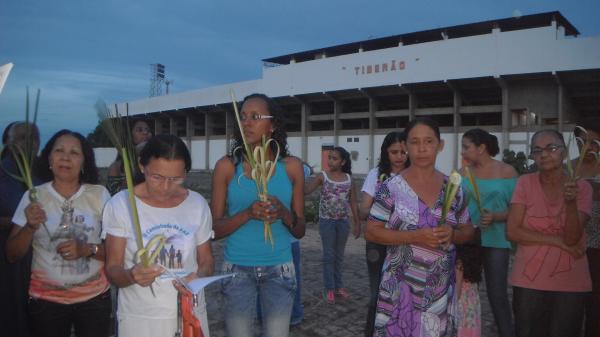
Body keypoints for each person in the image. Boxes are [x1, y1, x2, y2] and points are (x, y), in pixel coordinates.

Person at [365, 117, 475, 337]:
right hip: (399, 286)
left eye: (429, 141)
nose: (422, 148)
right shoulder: (391, 188)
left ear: (440, 145)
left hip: (439, 287)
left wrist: (453, 234)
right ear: (405, 146)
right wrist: (415, 236)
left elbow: (468, 231)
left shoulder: (453, 187)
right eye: (414, 142)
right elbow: (372, 231)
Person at [211, 93, 305, 337]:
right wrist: (248, 214)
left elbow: (300, 229)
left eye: (255, 117)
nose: (247, 123)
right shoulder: (226, 167)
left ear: (273, 125)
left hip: (280, 268)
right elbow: (213, 230)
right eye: (243, 117)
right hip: (237, 270)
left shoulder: (292, 167)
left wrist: (284, 213)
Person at [102, 134, 214, 337]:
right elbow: (113, 269)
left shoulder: (197, 204)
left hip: (190, 313)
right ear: (141, 166)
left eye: (175, 179)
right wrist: (131, 275)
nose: (165, 187)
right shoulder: (120, 205)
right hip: (141, 318)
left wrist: (198, 277)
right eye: (157, 177)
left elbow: (206, 260)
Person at [6, 129, 111, 337]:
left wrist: (86, 249)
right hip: (46, 301)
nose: (65, 157)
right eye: (59, 150)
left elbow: (117, 252)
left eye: (74, 152)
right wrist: (30, 227)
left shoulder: (99, 195)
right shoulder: (33, 197)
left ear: (84, 161)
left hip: (94, 299)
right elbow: (12, 254)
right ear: (49, 159)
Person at [507, 129, 592, 337]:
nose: (544, 154)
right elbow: (513, 231)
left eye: (551, 148)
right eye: (537, 150)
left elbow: (573, 238)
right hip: (528, 280)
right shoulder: (525, 183)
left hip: (570, 280)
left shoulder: (582, 187)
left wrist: (570, 202)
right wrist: (558, 241)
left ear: (563, 151)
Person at [460, 128, 518, 337]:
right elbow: (453, 208)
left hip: (496, 240)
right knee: (464, 294)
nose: (463, 151)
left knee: (497, 295)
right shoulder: (462, 173)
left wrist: (496, 216)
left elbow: (519, 208)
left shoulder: (507, 172)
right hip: (466, 241)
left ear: (481, 148)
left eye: (466, 147)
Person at [359, 130, 409, 336]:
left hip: (406, 243)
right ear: (385, 153)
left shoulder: (415, 175)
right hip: (378, 243)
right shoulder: (376, 175)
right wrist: (381, 206)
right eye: (394, 152)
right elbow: (363, 211)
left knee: (403, 295)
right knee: (377, 294)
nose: (399, 156)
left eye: (403, 152)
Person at [305, 146, 360, 304]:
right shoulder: (323, 176)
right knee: (329, 256)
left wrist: (357, 223)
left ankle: (339, 286)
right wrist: (298, 178)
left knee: (339, 256)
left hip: (342, 222)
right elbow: (307, 190)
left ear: (343, 162)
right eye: (329, 157)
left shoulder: (349, 179)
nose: (330, 161)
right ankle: (329, 288)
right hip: (327, 222)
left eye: (334, 158)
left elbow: (353, 202)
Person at [0, 122, 40, 337]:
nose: (30, 143)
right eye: (23, 137)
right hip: (8, 261)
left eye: (34, 138)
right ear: (8, 141)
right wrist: (16, 221)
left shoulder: (44, 173)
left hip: (38, 261)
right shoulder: (2, 173)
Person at [569, 119, 600, 337]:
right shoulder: (568, 168)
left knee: (596, 300)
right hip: (571, 243)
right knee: (571, 299)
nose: (588, 147)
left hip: (597, 245)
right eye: (583, 141)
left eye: (594, 142)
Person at [105, 119, 152, 195]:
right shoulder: (116, 167)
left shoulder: (155, 163)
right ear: (129, 136)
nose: (145, 133)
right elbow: (114, 196)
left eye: (148, 130)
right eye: (139, 130)